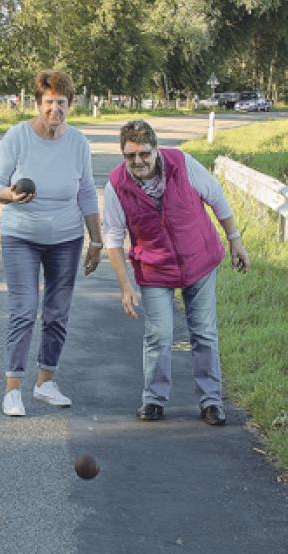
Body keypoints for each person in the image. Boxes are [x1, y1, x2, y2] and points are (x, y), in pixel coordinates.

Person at [103, 120, 249, 425]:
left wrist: (235, 240)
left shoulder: (183, 164)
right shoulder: (117, 185)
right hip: (155, 267)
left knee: (204, 332)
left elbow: (216, 197)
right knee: (159, 334)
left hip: (199, 259)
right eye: (130, 156)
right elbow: (114, 239)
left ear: (156, 150)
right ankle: (153, 400)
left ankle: (211, 401)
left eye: (144, 154)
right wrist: (125, 285)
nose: (138, 162)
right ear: (123, 155)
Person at [0, 69, 103, 417]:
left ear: (71, 104)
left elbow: (86, 192)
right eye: (49, 102)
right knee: (24, 310)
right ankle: (13, 389)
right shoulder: (17, 137)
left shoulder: (79, 142)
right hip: (21, 235)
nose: (55, 109)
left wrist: (96, 241)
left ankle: (46, 383)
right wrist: (9, 195)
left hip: (66, 239)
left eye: (62, 102)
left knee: (57, 313)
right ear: (37, 103)